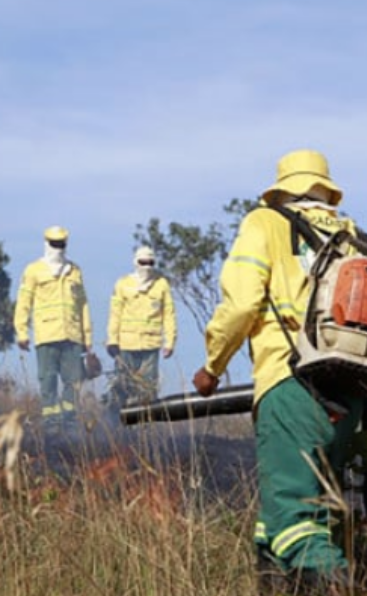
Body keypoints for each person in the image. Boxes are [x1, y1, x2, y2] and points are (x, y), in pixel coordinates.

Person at [194, 149, 361, 594]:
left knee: (294, 519)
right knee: (288, 521)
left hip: (293, 386)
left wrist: (213, 366)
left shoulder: (265, 222)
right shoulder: (353, 237)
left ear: (281, 190)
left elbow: (244, 302)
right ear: (326, 191)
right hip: (354, 396)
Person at [14, 225, 93, 429]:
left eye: (61, 244)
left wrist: (87, 338)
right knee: (48, 381)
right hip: (47, 335)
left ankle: (69, 421)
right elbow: (24, 303)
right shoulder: (34, 270)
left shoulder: (75, 271)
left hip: (73, 336)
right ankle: (51, 423)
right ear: (46, 243)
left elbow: (83, 305)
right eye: (54, 243)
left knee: (74, 381)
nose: (58, 248)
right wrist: (22, 332)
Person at [105, 245, 176, 406]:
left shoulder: (161, 284)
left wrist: (170, 342)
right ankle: (117, 423)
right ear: (136, 262)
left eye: (150, 263)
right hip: (126, 345)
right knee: (122, 386)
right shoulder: (123, 284)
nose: (147, 267)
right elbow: (115, 314)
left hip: (150, 346)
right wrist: (112, 340)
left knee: (148, 390)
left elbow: (169, 315)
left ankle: (145, 426)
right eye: (143, 262)